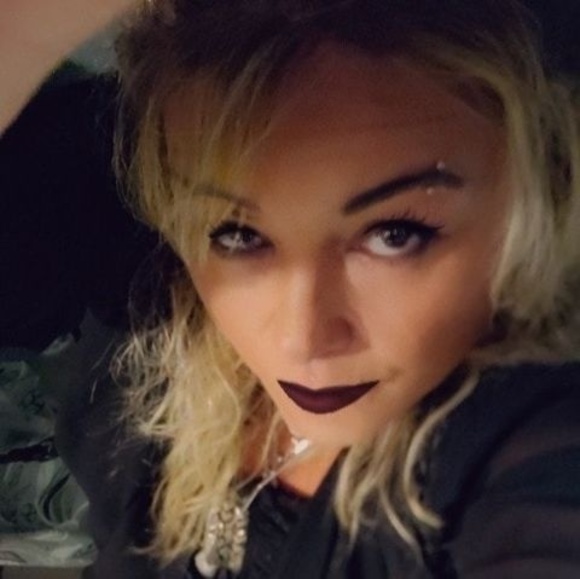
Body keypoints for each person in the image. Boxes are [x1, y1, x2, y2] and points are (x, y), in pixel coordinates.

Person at [3, 1, 580, 578]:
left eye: (394, 235)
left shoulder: (523, 437)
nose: (301, 339)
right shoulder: (145, 266)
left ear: (539, 196)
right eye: (237, 234)